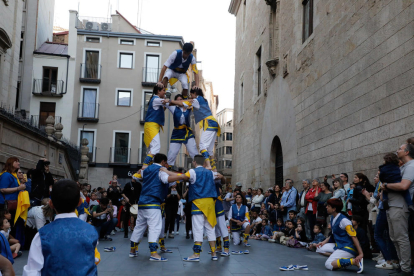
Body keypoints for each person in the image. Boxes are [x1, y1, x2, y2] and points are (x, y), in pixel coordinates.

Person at [23, 180, 100, 275]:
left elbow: (32, 272)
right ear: (80, 202)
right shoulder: (91, 231)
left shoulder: (42, 235)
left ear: (51, 204)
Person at [129, 153, 182, 262]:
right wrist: (179, 176)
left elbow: (135, 176)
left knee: (139, 226)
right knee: (155, 227)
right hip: (153, 203)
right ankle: (153, 253)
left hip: (142, 202)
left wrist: (140, 171)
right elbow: (168, 179)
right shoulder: (161, 171)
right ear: (163, 161)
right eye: (166, 163)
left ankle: (132, 250)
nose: (166, 165)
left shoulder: (146, 170)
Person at [179, 155, 223, 262]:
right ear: (204, 162)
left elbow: (183, 177)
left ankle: (196, 254)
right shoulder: (211, 173)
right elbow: (221, 177)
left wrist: (169, 173)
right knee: (210, 229)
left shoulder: (192, 172)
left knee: (198, 229)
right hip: (210, 204)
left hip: (198, 204)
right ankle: (214, 254)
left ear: (194, 162)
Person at [381, 143, 414, 275]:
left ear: (407, 152)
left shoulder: (411, 166)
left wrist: (386, 185)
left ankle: (406, 268)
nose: (397, 150)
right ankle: (402, 265)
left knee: (401, 238)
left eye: (400, 149)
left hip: (399, 206)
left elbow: (404, 186)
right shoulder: (403, 166)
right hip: (393, 205)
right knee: (394, 237)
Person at [168, 88, 220, 169]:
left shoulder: (196, 100)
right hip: (213, 124)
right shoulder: (203, 100)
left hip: (209, 123)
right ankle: (214, 169)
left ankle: (208, 166)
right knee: (209, 150)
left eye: (191, 95)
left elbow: (183, 103)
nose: (191, 97)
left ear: (194, 93)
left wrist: (170, 101)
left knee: (202, 146)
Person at [315, 198, 363, 273]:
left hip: (347, 247)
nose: (326, 207)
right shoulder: (332, 218)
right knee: (319, 248)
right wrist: (323, 242)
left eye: (328, 206)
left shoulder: (344, 221)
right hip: (339, 245)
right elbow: (334, 234)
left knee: (328, 264)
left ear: (334, 209)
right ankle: (340, 259)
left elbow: (354, 236)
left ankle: (354, 261)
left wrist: (360, 254)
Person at [0, 157, 29, 248]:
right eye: (16, 162)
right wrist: (18, 188)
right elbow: (3, 189)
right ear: (11, 163)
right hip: (6, 204)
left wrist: (21, 183)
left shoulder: (13, 175)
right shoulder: (6, 175)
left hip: (12, 204)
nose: (18, 163)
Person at [372, 173, 399, 270]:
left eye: (378, 173)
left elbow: (381, 197)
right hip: (388, 208)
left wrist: (381, 193)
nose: (377, 175)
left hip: (384, 208)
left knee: (378, 235)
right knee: (389, 236)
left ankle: (388, 260)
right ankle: (394, 260)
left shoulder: (385, 181)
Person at [165, 94, 198, 167]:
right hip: (177, 132)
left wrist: (190, 99)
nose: (180, 101)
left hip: (187, 132)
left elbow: (196, 103)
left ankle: (200, 167)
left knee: (193, 151)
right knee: (172, 153)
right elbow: (165, 102)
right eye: (178, 100)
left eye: (181, 99)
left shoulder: (189, 108)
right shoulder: (173, 108)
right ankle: (167, 169)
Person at [142, 86, 167, 167]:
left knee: (152, 149)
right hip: (151, 126)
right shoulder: (156, 99)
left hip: (151, 126)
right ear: (158, 91)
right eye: (163, 90)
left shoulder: (155, 100)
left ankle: (147, 166)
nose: (165, 92)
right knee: (156, 147)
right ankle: (145, 165)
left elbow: (161, 109)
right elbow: (167, 102)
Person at [212, 178, 230, 256]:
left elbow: (223, 181)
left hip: (218, 205)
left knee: (222, 227)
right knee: (215, 228)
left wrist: (221, 176)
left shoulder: (215, 179)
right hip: (211, 206)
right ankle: (218, 247)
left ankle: (226, 249)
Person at [121, 174, 142, 238]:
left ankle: (135, 232)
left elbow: (141, 193)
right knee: (126, 217)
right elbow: (122, 193)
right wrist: (126, 198)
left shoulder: (139, 185)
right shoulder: (128, 184)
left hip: (136, 203)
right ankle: (126, 233)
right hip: (129, 203)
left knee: (137, 218)